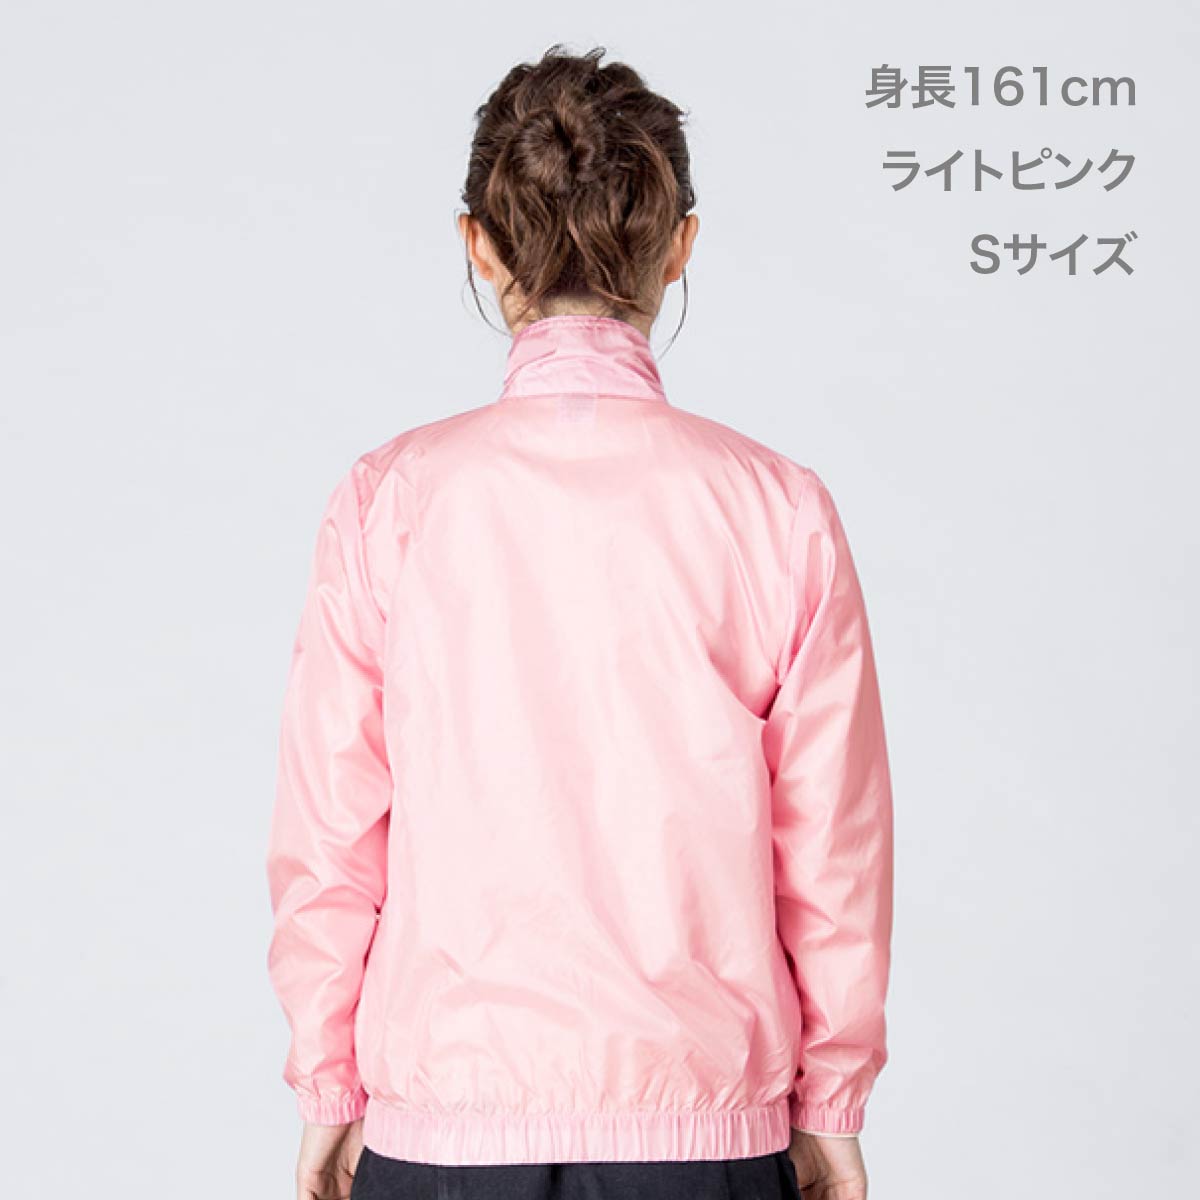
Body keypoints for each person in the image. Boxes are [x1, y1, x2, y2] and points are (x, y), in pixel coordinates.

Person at [265, 43, 894, 1200]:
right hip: (707, 1132)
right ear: (681, 245)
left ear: (479, 245)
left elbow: (329, 835)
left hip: (440, 1133)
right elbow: (832, 851)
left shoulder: (387, 501)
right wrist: (833, 1103)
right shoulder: (778, 510)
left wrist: (328, 1086)